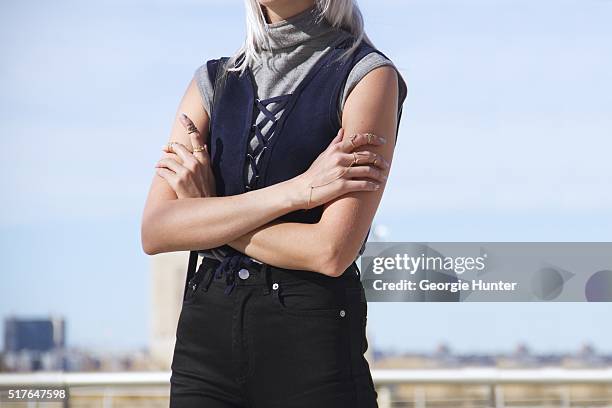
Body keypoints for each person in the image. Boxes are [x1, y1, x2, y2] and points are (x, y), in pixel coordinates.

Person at [141, 0, 407, 406]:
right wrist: (297, 191)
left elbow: (330, 251)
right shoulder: (211, 82)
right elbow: (157, 229)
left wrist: (209, 212)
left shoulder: (368, 77)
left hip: (312, 352)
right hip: (204, 352)